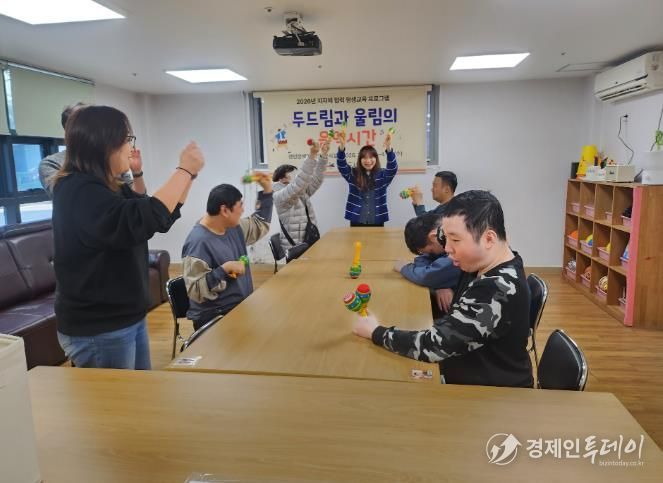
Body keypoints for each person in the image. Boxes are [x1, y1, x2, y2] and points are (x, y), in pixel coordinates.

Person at [52, 105, 205, 369]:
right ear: (104, 144)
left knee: (137, 391)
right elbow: (144, 216)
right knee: (116, 396)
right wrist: (183, 171)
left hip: (126, 317)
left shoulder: (110, 187)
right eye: (126, 140)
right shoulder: (76, 189)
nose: (130, 148)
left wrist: (189, 177)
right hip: (99, 327)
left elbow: (158, 216)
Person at [353, 190, 533, 388]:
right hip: (472, 369)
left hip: (489, 390)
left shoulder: (496, 288)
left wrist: (375, 332)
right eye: (446, 239)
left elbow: (435, 346)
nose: (447, 249)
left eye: (455, 240)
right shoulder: (492, 255)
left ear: (489, 239)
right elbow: (436, 236)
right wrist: (442, 282)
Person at [182, 178, 273, 330]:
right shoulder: (198, 243)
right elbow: (196, 291)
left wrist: (267, 192)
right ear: (224, 210)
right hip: (216, 319)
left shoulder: (233, 227)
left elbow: (259, 224)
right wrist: (224, 270)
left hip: (239, 308)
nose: (243, 210)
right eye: (240, 205)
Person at [39, 103, 140, 197]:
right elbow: (72, 198)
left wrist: (137, 172)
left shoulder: (111, 158)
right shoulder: (51, 164)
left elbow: (134, 198)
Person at [393, 212, 461, 314]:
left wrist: (404, 267)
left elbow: (426, 277)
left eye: (431, 251)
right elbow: (422, 259)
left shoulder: (459, 247)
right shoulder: (446, 235)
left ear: (433, 237)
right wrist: (439, 282)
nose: (430, 254)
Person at [273, 139, 329, 249]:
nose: (296, 177)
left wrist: (323, 156)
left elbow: (317, 179)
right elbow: (298, 183)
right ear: (282, 179)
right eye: (293, 175)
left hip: (308, 239)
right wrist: (312, 155)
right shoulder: (278, 195)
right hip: (293, 246)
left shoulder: (300, 191)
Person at [336, 130, 397, 226]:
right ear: (360, 160)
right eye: (364, 157)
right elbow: (341, 165)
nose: (368, 161)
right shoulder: (353, 174)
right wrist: (342, 147)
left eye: (371, 157)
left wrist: (388, 148)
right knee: (356, 237)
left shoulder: (383, 174)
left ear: (376, 159)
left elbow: (393, 168)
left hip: (377, 220)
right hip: (356, 220)